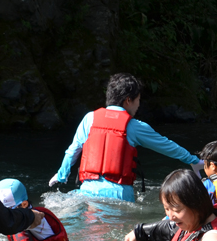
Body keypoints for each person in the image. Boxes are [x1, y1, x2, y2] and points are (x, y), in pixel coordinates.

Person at [49, 73, 202, 201]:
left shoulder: (89, 118)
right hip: (119, 196)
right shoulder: (135, 126)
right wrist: (193, 160)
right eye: (138, 100)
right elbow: (167, 146)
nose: (138, 105)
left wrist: (61, 176)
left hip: (87, 192)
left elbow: (73, 151)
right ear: (128, 100)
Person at [0, 178, 70, 241]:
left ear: (24, 204)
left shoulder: (39, 220)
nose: (3, 215)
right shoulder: (13, 219)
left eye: (7, 210)